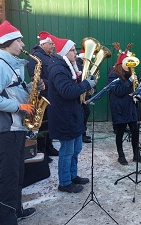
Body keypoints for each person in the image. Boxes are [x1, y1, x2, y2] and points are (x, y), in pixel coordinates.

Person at [0, 20, 36, 225]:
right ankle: (4, 221)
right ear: (8, 41)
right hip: (3, 131)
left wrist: (31, 87)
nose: (22, 44)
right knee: (7, 177)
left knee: (17, 174)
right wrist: (19, 107)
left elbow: (12, 91)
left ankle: (15, 211)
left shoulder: (12, 62)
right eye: (19, 40)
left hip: (16, 127)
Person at [47, 35, 96, 193]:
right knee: (67, 151)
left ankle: (73, 175)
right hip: (64, 116)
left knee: (76, 149)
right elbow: (67, 91)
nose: (76, 53)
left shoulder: (68, 66)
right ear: (64, 52)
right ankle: (65, 182)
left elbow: (73, 89)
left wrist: (86, 89)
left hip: (72, 114)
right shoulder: (58, 69)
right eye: (73, 50)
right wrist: (86, 84)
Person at [108, 42, 141, 165]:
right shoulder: (113, 75)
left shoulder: (130, 74)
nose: (130, 65)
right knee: (120, 133)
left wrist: (136, 93)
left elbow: (132, 90)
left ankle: (136, 154)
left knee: (135, 132)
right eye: (127, 63)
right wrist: (130, 81)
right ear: (121, 64)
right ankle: (121, 155)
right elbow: (118, 91)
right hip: (119, 108)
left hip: (130, 108)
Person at [27, 31, 59, 162]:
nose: (53, 46)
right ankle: (42, 150)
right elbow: (36, 78)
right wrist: (53, 82)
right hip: (42, 95)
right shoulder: (35, 57)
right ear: (43, 44)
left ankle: (49, 146)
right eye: (51, 44)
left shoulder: (48, 55)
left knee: (49, 123)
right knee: (42, 124)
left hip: (50, 94)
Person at [76, 37, 95, 144]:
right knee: (82, 114)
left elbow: (92, 80)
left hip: (86, 95)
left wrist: (92, 89)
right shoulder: (78, 65)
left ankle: (83, 133)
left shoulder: (88, 66)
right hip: (79, 95)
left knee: (85, 113)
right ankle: (81, 134)